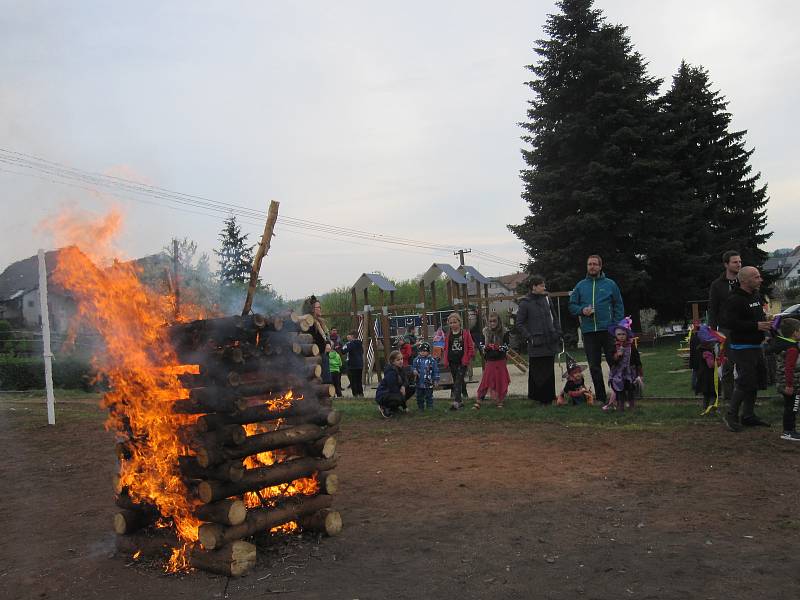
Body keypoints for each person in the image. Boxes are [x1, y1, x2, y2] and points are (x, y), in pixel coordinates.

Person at [719, 266, 772, 432]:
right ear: (745, 280)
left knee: (755, 380)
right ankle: (731, 415)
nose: (760, 279)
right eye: (756, 277)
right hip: (742, 346)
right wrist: (755, 325)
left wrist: (765, 323)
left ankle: (748, 416)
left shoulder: (755, 296)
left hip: (757, 345)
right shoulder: (734, 299)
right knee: (745, 380)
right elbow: (730, 323)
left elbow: (756, 318)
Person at [568, 255, 624, 406]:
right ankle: (600, 397)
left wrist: (616, 326)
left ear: (600, 266)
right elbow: (572, 305)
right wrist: (582, 310)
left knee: (615, 363)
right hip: (589, 332)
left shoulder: (610, 284)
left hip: (608, 330)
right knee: (594, 365)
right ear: (587, 267)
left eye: (594, 264)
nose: (592, 267)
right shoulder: (580, 286)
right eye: (589, 264)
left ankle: (619, 395)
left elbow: (618, 305)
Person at [517, 275, 563, 405]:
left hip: (550, 340)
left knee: (549, 370)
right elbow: (519, 323)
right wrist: (529, 337)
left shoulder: (547, 299)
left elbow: (554, 316)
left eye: (544, 285)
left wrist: (558, 332)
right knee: (537, 372)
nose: (544, 288)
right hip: (536, 343)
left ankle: (549, 397)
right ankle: (538, 398)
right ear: (534, 287)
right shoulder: (525, 303)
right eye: (541, 285)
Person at [708, 250, 743, 404]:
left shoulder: (745, 281)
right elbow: (713, 308)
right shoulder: (717, 285)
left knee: (744, 363)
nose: (739, 264)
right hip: (725, 330)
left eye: (740, 261)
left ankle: (744, 397)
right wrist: (713, 330)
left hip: (743, 328)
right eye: (735, 262)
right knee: (727, 364)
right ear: (726, 264)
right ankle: (729, 398)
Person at [602, 317, 643, 412]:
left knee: (630, 389)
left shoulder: (631, 347)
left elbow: (637, 360)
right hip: (618, 373)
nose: (621, 336)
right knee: (620, 390)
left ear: (627, 335)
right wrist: (617, 355)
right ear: (615, 335)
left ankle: (632, 406)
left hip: (630, 372)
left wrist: (640, 372)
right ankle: (621, 407)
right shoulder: (614, 347)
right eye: (619, 334)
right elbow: (611, 360)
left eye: (623, 334)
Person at [770, 317, 800, 441]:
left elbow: (774, 333)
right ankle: (789, 431)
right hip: (792, 384)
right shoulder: (792, 349)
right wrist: (789, 385)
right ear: (795, 333)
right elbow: (789, 368)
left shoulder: (783, 343)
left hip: (784, 382)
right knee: (793, 407)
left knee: (790, 406)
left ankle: (788, 430)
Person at [474, 312, 510, 409]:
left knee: (500, 381)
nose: (492, 323)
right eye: (490, 321)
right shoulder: (485, 331)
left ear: (498, 321)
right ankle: (479, 400)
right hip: (490, 360)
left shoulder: (505, 331)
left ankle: (500, 401)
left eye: (494, 321)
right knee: (486, 381)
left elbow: (506, 347)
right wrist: (487, 348)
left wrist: (498, 348)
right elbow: (481, 345)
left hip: (500, 360)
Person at [689, 324, 726, 412]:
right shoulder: (707, 353)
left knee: (706, 394)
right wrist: (719, 361)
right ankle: (712, 408)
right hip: (709, 377)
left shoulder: (701, 350)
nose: (713, 344)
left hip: (703, 376)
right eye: (712, 343)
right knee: (713, 394)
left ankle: (705, 408)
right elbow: (711, 365)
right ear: (707, 344)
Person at [443, 312, 476, 410]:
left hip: (462, 361)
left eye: (455, 322)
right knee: (457, 380)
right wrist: (446, 360)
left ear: (459, 322)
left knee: (458, 380)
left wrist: (468, 358)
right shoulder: (448, 335)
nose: (453, 324)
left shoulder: (465, 333)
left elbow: (470, 347)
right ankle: (461, 399)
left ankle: (456, 402)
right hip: (452, 360)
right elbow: (446, 348)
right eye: (451, 323)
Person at [375, 350, 408, 418]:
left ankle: (394, 408)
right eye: (398, 360)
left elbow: (406, 380)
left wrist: (403, 386)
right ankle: (384, 407)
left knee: (411, 388)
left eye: (401, 359)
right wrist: (404, 404)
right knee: (398, 397)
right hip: (383, 394)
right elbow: (392, 387)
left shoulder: (401, 369)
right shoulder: (391, 372)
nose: (401, 361)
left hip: (393, 392)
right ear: (393, 361)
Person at [412, 342, 440, 411]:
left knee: (429, 396)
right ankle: (420, 407)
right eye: (421, 351)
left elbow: (436, 370)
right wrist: (414, 370)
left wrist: (436, 380)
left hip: (428, 382)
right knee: (419, 396)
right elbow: (413, 367)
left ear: (428, 352)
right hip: (419, 382)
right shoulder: (416, 360)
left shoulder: (432, 361)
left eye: (424, 351)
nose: (422, 352)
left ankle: (430, 407)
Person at [341, 330, 364, 397]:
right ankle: (361, 393)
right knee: (359, 380)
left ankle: (355, 394)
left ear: (352, 336)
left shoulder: (350, 344)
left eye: (349, 336)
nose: (348, 337)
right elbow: (362, 352)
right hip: (360, 364)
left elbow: (343, 351)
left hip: (352, 365)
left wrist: (343, 346)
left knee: (353, 380)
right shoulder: (360, 343)